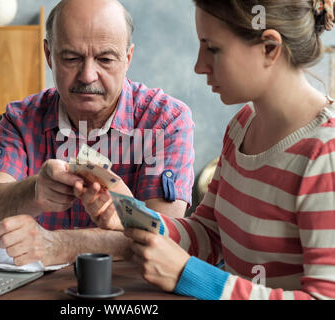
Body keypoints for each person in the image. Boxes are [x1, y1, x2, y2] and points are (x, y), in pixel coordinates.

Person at [77, 0, 335, 299]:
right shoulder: (243, 125)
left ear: (269, 48)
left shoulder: (324, 156)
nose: (199, 66)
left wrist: (191, 277)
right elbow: (210, 234)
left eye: (212, 48)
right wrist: (128, 214)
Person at [0, 0, 195, 267]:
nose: (88, 75)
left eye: (105, 59)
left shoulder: (165, 121)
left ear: (128, 58)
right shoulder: (22, 118)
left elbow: (166, 239)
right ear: (48, 55)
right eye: (71, 58)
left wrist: (59, 245)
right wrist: (34, 191)